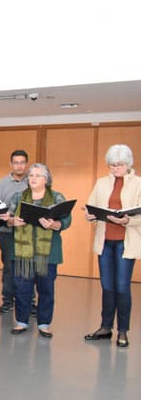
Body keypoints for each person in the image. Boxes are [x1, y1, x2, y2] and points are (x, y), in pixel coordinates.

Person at [1, 163, 71, 338]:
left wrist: (54, 224)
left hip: (47, 254)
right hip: (22, 253)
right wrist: (12, 221)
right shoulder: (19, 197)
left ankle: (44, 324)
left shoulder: (57, 197)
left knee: (46, 289)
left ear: (46, 179)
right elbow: (9, 218)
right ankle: (21, 321)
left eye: (37, 175)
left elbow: (66, 220)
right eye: (30, 175)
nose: (32, 178)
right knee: (21, 289)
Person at [83, 144, 141, 347]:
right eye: (112, 165)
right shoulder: (101, 183)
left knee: (122, 287)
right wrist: (90, 216)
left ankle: (123, 331)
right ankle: (105, 327)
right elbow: (91, 206)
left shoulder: (139, 183)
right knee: (107, 286)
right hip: (105, 241)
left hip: (126, 242)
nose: (116, 168)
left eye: (120, 165)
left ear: (128, 164)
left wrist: (127, 220)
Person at [0, 149, 29, 314]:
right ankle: (7, 300)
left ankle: (29, 302)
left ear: (26, 164)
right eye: (16, 163)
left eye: (22, 162)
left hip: (27, 233)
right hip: (7, 231)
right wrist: (8, 220)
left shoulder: (32, 181)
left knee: (27, 266)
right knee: (9, 266)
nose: (19, 166)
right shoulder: (2, 184)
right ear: (11, 164)